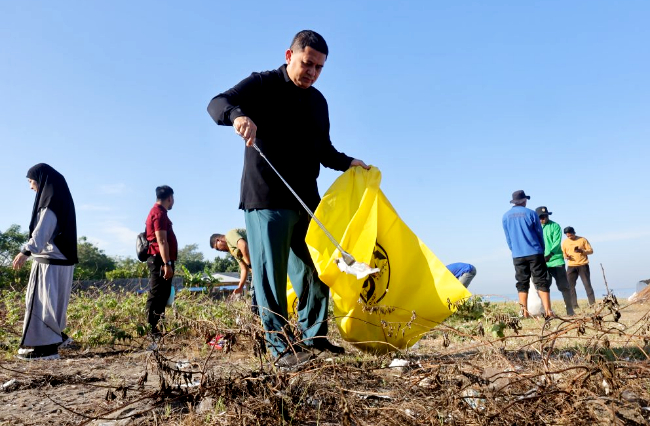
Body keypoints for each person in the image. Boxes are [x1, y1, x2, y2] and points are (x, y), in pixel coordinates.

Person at [207, 30, 369, 368]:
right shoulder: (262, 84)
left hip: (307, 199)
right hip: (266, 198)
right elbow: (217, 103)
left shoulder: (318, 101)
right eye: (306, 63)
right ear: (289, 55)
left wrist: (348, 162)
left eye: (319, 67)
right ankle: (280, 347)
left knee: (317, 269)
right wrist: (238, 116)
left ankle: (315, 337)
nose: (311, 72)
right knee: (270, 275)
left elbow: (323, 150)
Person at [12, 163, 78, 361]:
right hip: (63, 260)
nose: (31, 186)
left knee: (38, 302)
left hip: (49, 260)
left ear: (41, 180)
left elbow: (43, 231)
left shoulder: (50, 202)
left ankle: (45, 349)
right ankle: (55, 339)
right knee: (54, 304)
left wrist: (26, 250)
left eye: (31, 181)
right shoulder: (61, 198)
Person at [502, 190, 553, 318]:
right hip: (534, 252)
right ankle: (548, 311)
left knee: (521, 282)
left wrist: (514, 250)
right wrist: (541, 249)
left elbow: (508, 238)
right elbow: (539, 233)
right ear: (524, 200)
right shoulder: (531, 213)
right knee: (541, 280)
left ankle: (524, 311)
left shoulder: (505, 216)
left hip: (517, 254)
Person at [144, 185, 178, 339]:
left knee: (163, 294)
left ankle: (158, 327)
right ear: (169, 198)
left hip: (162, 260)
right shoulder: (158, 213)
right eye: (173, 199)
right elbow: (162, 240)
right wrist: (167, 264)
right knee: (156, 293)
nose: (173, 202)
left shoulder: (160, 212)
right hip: (159, 260)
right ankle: (150, 329)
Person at [536, 206, 576, 316]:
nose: (543, 218)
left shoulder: (555, 226)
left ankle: (570, 310)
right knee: (543, 286)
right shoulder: (534, 227)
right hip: (542, 262)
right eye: (541, 217)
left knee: (564, 286)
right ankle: (546, 310)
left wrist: (550, 254)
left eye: (545, 216)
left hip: (556, 260)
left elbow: (556, 242)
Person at [562, 226, 595, 306]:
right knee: (570, 286)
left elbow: (591, 251)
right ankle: (574, 305)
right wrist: (566, 256)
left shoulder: (582, 240)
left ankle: (592, 304)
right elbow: (563, 253)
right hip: (571, 266)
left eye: (571, 235)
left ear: (574, 233)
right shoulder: (565, 242)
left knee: (587, 284)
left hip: (583, 265)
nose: (569, 237)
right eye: (568, 236)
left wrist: (582, 251)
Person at [210, 230, 252, 295]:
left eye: (217, 248)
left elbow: (243, 245)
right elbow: (244, 269)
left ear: (218, 240)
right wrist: (240, 287)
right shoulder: (232, 250)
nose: (220, 250)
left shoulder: (229, 235)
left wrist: (249, 264)